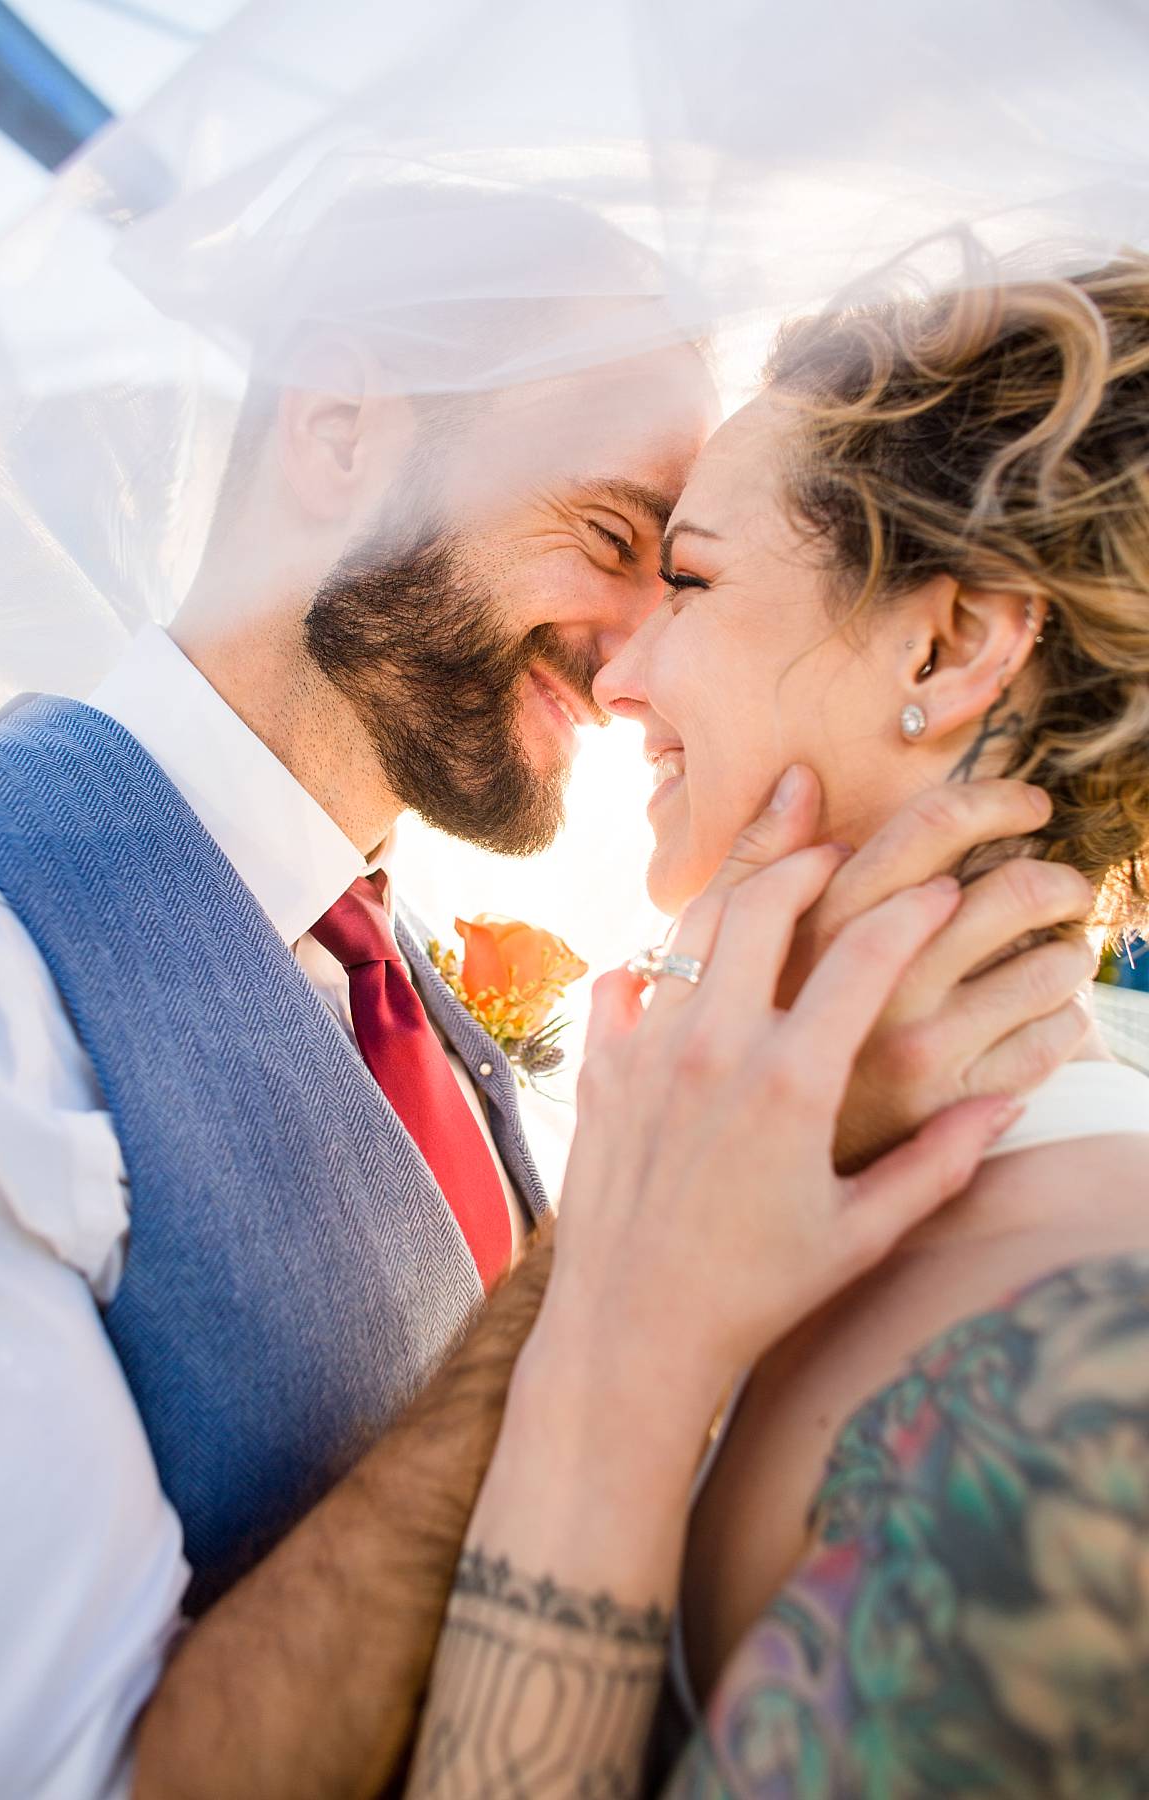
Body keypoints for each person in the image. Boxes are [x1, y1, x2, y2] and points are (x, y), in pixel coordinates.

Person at [0, 179, 1092, 1795]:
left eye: (688, 577)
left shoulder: (425, 997)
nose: (631, 665)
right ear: (341, 431)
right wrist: (623, 1253)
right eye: (619, 539)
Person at [407, 257, 1149, 1795]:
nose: (619, 674)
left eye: (689, 581)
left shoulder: (1093, 1383)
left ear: (944, 652)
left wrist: (620, 1345)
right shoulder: (751, 1177)